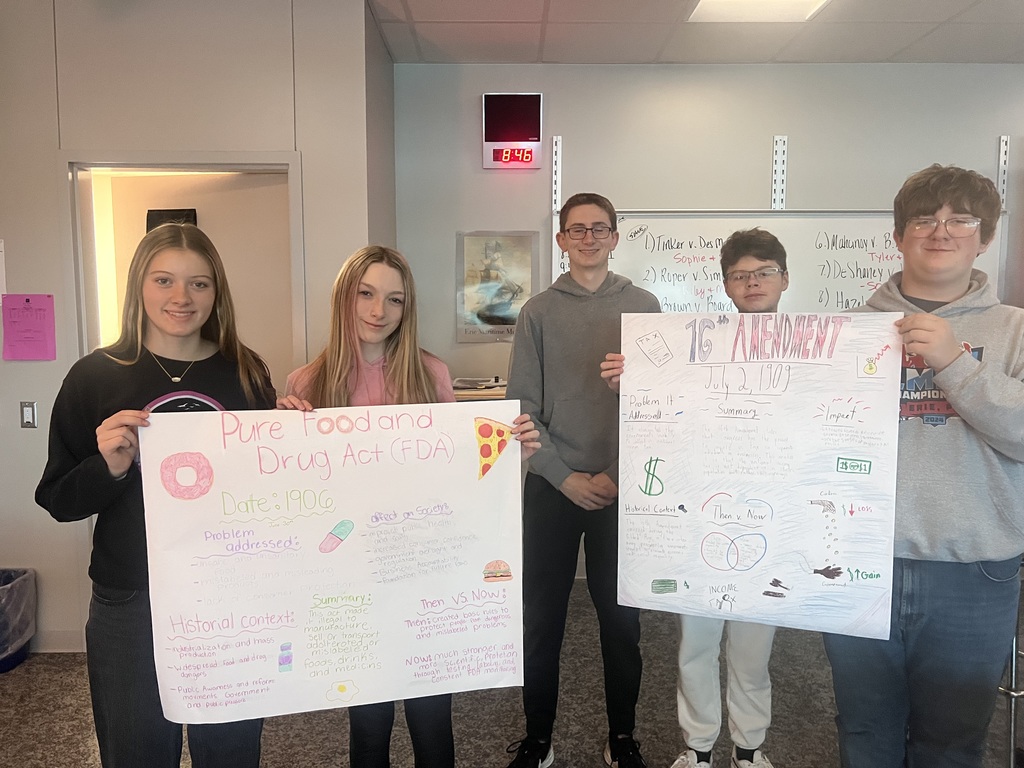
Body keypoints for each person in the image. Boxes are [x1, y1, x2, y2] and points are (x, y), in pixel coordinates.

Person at [277, 245, 539, 768]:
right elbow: (293, 497)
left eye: (394, 299)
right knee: (368, 727)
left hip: (423, 575)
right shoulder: (305, 384)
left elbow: (463, 477)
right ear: (344, 298)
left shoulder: (430, 374)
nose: (379, 311)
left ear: (406, 308)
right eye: (366, 294)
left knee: (431, 719)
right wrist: (281, 435)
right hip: (354, 584)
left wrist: (512, 453)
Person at [35, 223, 275, 768]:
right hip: (128, 598)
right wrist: (109, 467)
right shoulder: (94, 377)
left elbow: (265, 485)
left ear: (218, 293)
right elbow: (57, 498)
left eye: (199, 284)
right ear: (138, 285)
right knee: (137, 752)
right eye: (164, 279)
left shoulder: (246, 371)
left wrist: (290, 436)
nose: (180, 298)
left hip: (229, 595)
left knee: (232, 752)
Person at [821, 164, 1024, 767]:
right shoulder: (847, 330)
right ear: (898, 235)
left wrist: (954, 361)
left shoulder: (1013, 329)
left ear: (984, 237)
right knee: (863, 731)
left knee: (954, 740)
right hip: (857, 560)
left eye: (961, 219)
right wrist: (658, 384)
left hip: (974, 572)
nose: (942, 230)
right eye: (924, 219)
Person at [602, 228, 789, 768]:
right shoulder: (697, 347)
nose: (752, 283)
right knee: (697, 643)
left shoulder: (818, 350)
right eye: (740, 275)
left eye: (763, 272)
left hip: (770, 521)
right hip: (702, 517)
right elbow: (668, 411)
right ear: (726, 286)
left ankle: (750, 749)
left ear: (784, 277)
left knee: (754, 651)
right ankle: (698, 748)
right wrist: (631, 384)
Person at [504, 193, 661, 768]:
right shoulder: (538, 312)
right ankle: (538, 737)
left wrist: (616, 478)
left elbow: (660, 405)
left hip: (623, 489)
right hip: (552, 487)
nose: (589, 237)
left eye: (600, 229)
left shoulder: (645, 305)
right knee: (541, 619)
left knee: (621, 621)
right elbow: (521, 407)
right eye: (577, 230)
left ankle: (622, 736)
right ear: (562, 240)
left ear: (616, 237)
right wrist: (564, 477)